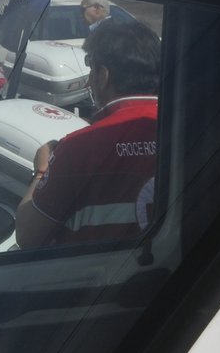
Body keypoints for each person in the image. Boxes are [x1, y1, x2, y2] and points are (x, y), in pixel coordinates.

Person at [14, 20, 161, 249]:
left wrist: (41, 170)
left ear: (103, 75)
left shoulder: (79, 147)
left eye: (90, 67)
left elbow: (26, 236)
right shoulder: (184, 127)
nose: (89, 81)